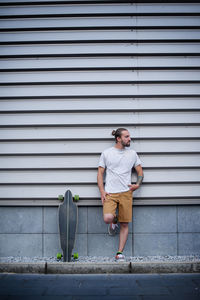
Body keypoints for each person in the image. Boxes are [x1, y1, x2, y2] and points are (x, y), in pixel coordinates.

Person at [97, 128, 143, 261]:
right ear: (118, 138)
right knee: (107, 218)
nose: (129, 139)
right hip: (110, 192)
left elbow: (140, 172)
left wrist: (137, 184)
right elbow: (100, 173)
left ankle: (119, 252)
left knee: (124, 224)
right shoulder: (107, 153)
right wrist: (102, 191)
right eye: (127, 136)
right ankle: (113, 222)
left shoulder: (133, 154)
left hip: (126, 192)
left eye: (129, 136)